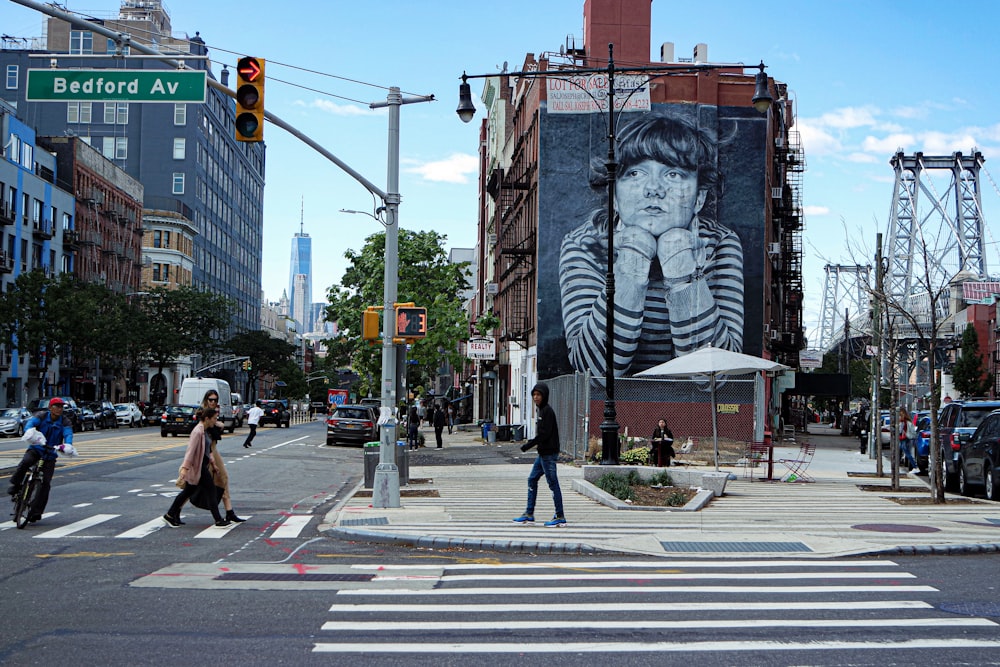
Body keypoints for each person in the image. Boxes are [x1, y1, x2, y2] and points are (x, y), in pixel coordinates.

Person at [559, 111, 744, 378]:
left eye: (673, 174)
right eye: (635, 173)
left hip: (694, 409)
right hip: (612, 412)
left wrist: (678, 259)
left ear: (699, 198)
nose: (653, 189)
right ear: (615, 195)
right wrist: (634, 258)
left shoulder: (721, 243)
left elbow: (717, 374)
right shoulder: (584, 244)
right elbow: (596, 370)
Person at [6, 397, 74, 523]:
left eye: (61, 407)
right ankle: (15, 485)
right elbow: (30, 424)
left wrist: (68, 445)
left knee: (45, 484)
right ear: (50, 408)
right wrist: (30, 433)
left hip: (50, 454)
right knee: (25, 462)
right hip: (36, 449)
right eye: (57, 406)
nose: (59, 409)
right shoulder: (41, 416)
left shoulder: (65, 421)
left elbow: (68, 434)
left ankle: (36, 512)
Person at [163, 407, 230, 527]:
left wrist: (213, 464)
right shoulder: (198, 431)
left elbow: (207, 450)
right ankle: (218, 519)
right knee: (210, 490)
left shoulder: (204, 430)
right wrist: (185, 468)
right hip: (197, 467)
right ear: (207, 419)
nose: (215, 421)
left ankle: (169, 514)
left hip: (201, 465)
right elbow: (190, 451)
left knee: (188, 491)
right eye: (214, 419)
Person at [513, 383, 566, 527]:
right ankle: (529, 513)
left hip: (548, 454)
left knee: (553, 483)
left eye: (538, 395)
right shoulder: (541, 410)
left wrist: (528, 445)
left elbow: (544, 434)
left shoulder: (547, 411)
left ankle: (559, 515)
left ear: (544, 396)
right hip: (543, 454)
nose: (536, 397)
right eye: (534, 395)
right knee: (532, 479)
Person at [191, 390, 246, 523]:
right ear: (206, 400)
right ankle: (174, 511)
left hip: (212, 449)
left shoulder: (213, 413)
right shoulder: (203, 413)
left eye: (215, 400)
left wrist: (218, 424)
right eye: (211, 399)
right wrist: (217, 424)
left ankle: (229, 512)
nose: (213, 402)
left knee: (222, 478)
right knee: (191, 484)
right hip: (206, 451)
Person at [898, 407, 917, 471]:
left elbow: (900, 430)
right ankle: (897, 466)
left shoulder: (903, 421)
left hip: (904, 438)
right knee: (901, 451)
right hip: (905, 438)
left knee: (907, 453)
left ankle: (915, 466)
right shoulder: (907, 421)